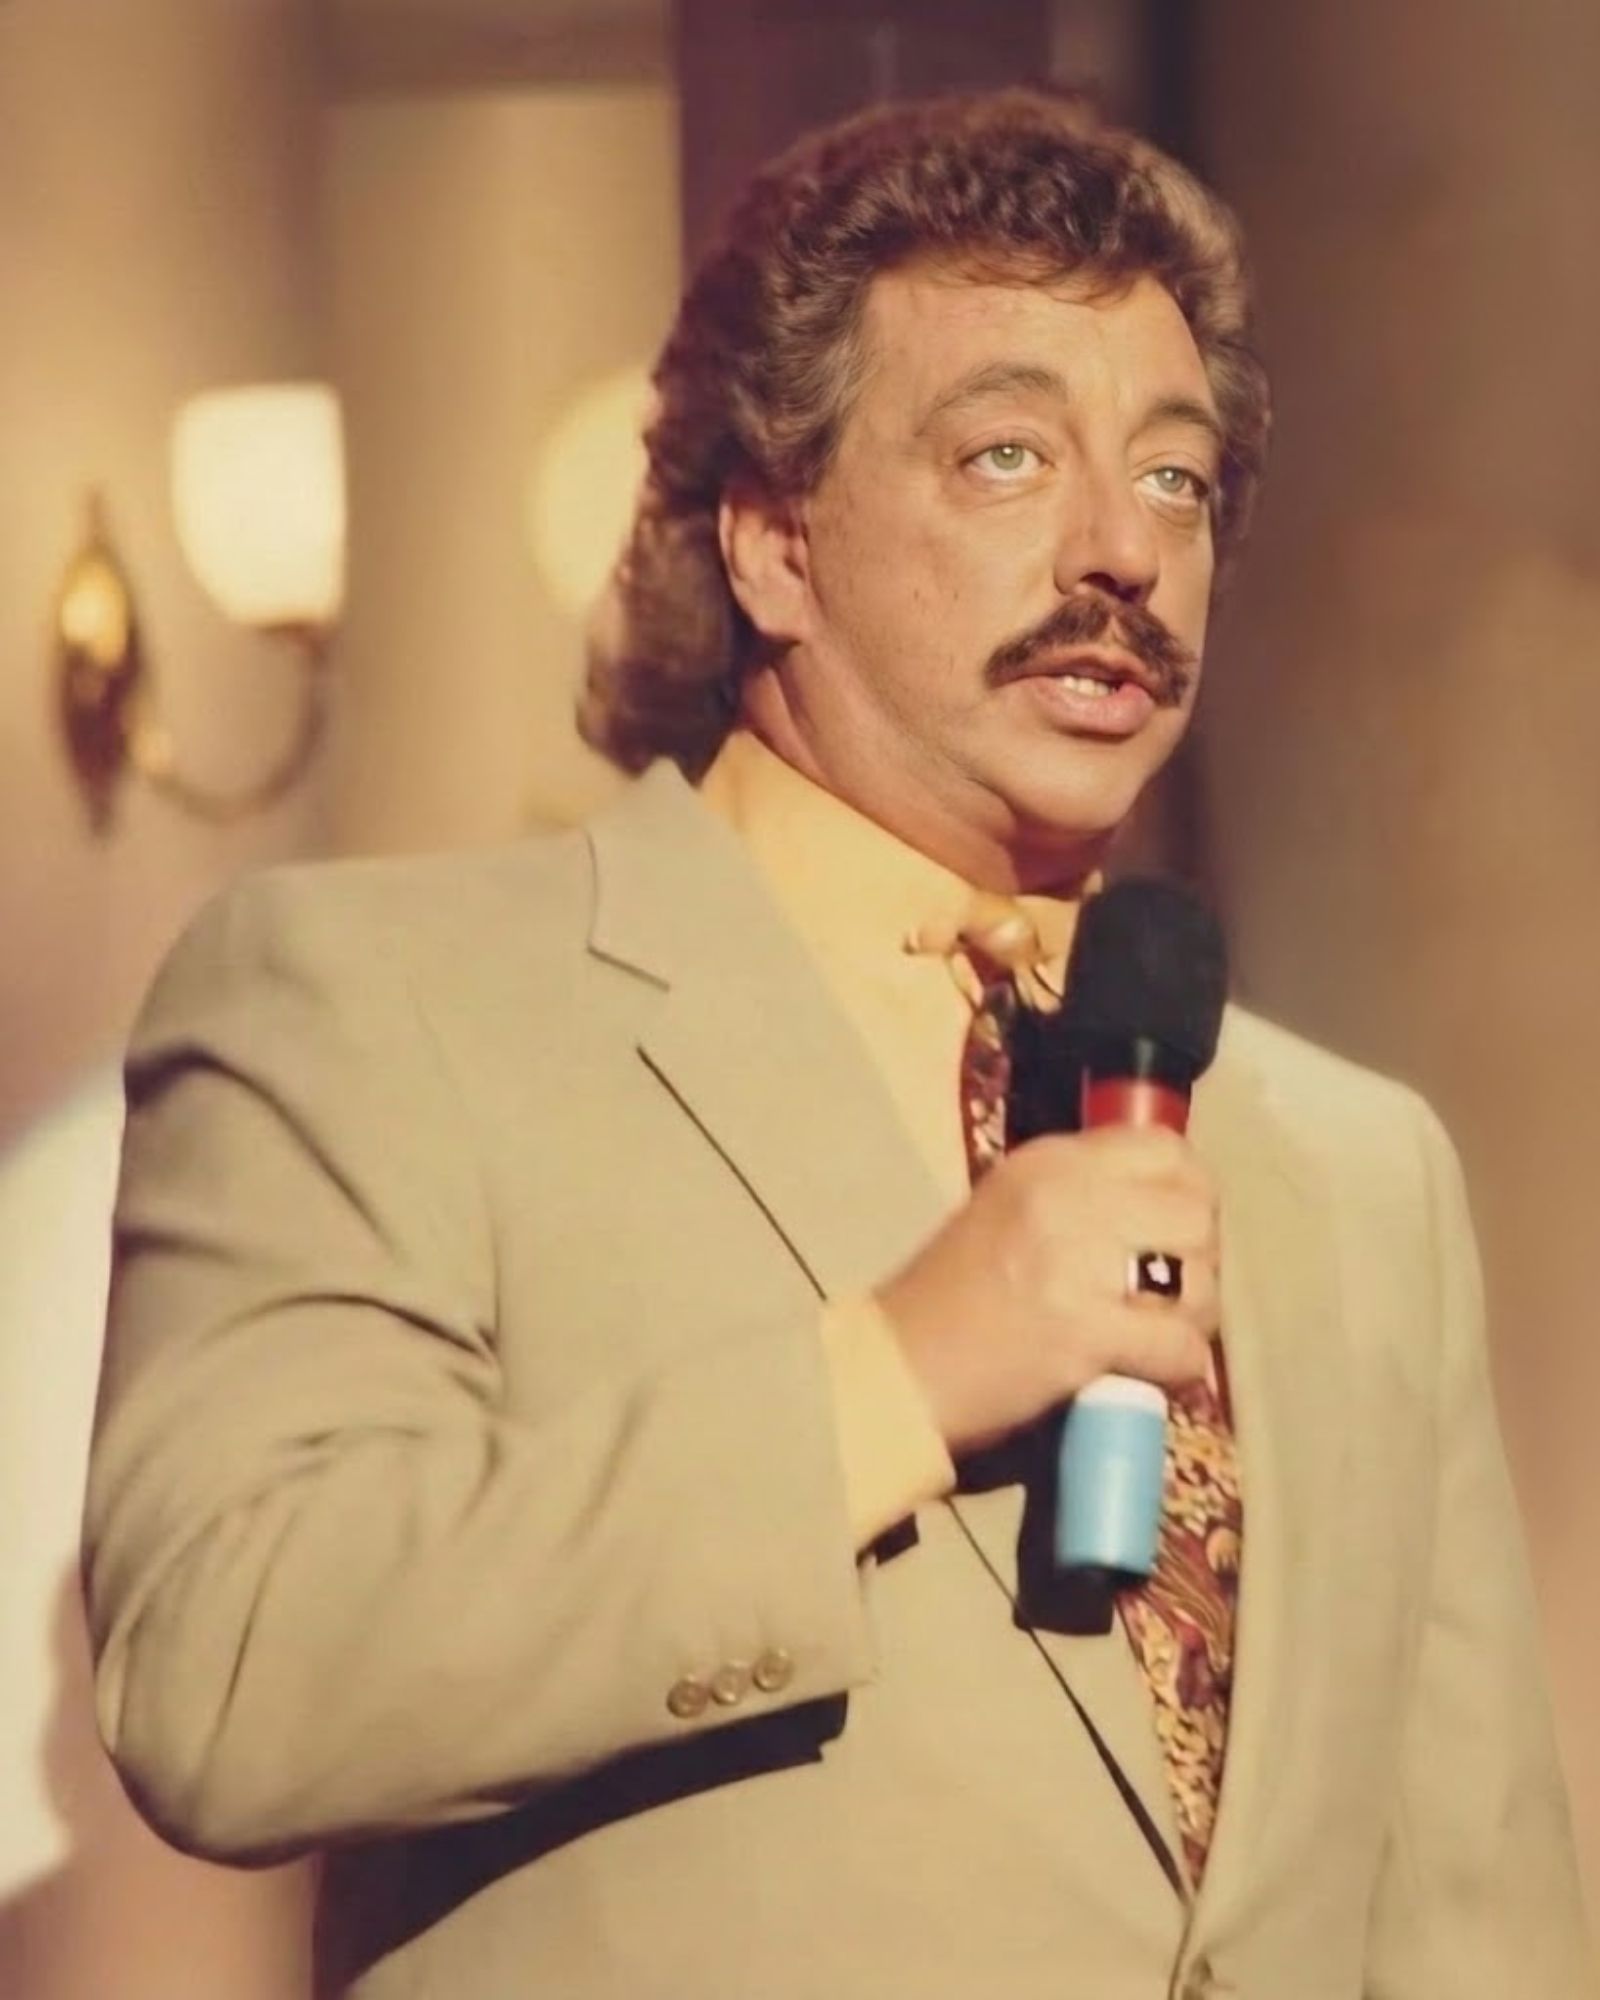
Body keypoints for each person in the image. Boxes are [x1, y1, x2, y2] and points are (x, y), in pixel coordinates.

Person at [83, 90, 1595, 1998]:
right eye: (1005, 456)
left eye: (1177, 479)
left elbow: (1471, 1917)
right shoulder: (377, 1002)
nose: (1123, 551)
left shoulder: (1365, 1169)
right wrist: (890, 1376)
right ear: (772, 539)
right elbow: (225, 1671)